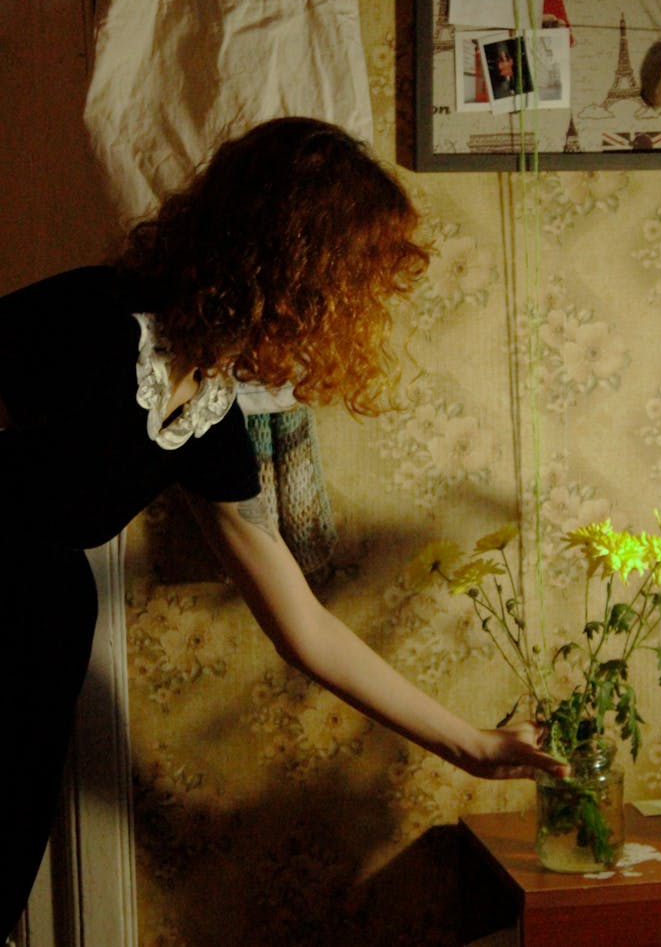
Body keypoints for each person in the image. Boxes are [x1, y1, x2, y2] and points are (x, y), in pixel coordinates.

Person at [0, 117, 568, 938]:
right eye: (354, 278)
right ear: (295, 261)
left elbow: (300, 622)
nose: (360, 307)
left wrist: (471, 745)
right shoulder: (88, 319)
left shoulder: (208, 408)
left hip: (32, 649)